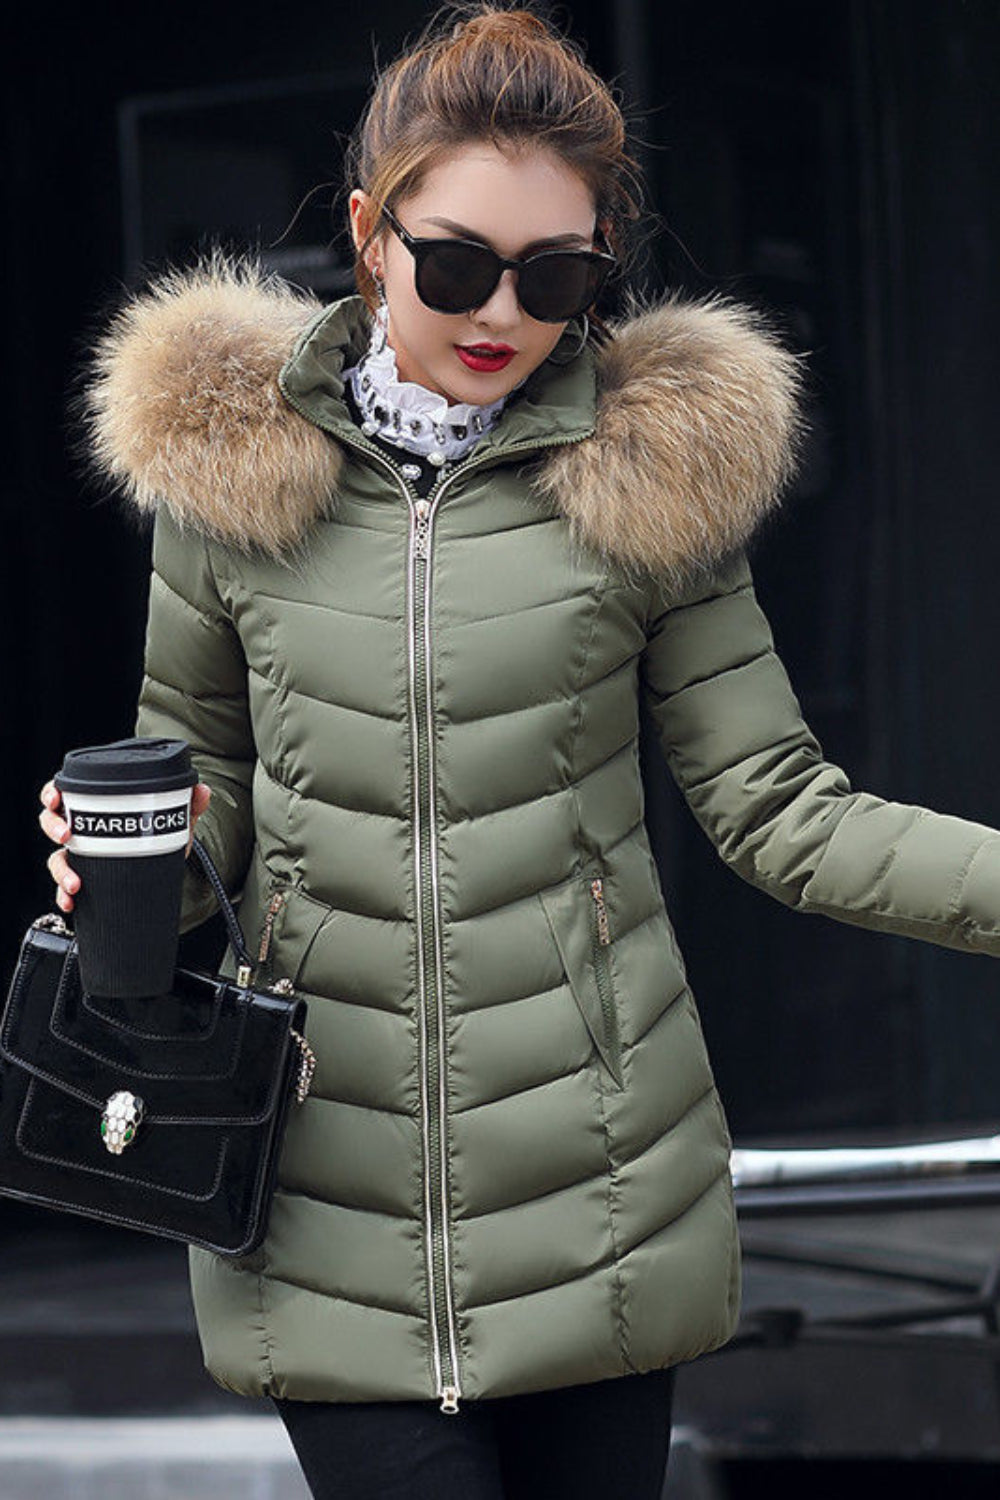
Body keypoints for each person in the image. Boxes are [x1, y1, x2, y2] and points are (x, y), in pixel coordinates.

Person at [34, 2, 1000, 1495]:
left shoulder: (650, 480)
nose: (503, 313)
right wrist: (133, 858)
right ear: (369, 231)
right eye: (460, 262)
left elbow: (783, 810)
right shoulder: (229, 475)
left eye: (557, 275)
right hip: (316, 1189)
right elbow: (203, 779)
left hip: (604, 1194)